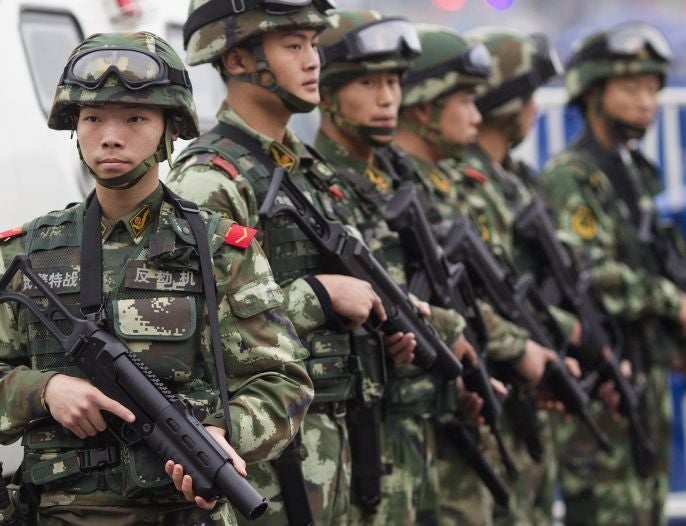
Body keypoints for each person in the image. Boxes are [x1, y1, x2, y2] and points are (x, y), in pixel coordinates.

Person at [0, 31, 313, 526]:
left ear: (170, 129)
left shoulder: (218, 249)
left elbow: (284, 381)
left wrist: (222, 434)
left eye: (135, 118)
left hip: (182, 512)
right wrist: (47, 389)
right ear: (75, 128)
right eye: (93, 118)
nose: (110, 136)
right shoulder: (28, 250)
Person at [168, 2, 397, 525]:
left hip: (331, 438)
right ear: (240, 60)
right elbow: (194, 329)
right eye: (294, 46)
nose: (313, 60)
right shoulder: (211, 179)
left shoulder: (299, 166)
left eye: (313, 45)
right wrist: (316, 296)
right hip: (269, 457)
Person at [313, 10, 482, 526]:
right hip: (362, 434)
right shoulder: (312, 186)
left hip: (419, 418)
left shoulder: (395, 176)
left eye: (393, 82)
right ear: (326, 91)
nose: (388, 98)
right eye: (368, 82)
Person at [392, 24, 562, 525]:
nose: (476, 113)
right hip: (439, 414)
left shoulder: (451, 183)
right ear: (424, 108)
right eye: (465, 100)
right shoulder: (410, 186)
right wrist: (516, 346)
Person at [539, 21, 686, 526]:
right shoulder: (570, 176)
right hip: (604, 376)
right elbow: (591, 274)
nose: (646, 101)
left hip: (644, 373)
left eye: (651, 88)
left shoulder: (634, 173)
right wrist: (673, 303)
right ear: (592, 92)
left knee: (646, 506)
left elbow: (656, 259)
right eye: (630, 88)